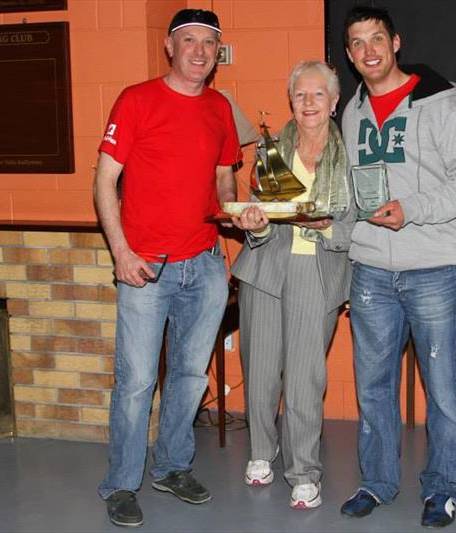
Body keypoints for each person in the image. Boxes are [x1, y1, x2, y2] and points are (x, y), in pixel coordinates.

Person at [338, 6, 456, 529]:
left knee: (442, 389)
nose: (368, 51)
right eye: (356, 43)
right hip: (372, 269)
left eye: (376, 38)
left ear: (395, 42)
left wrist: (413, 211)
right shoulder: (352, 112)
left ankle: (444, 488)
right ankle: (377, 482)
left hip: (433, 267)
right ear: (350, 54)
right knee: (373, 386)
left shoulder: (442, 104)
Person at [93, 9, 240, 528]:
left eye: (209, 43)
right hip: (145, 269)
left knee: (187, 376)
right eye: (189, 41)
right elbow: (104, 180)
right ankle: (122, 483)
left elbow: (224, 180)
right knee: (135, 383)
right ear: (170, 48)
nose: (200, 51)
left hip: (203, 267)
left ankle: (172, 466)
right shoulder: (136, 100)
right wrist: (121, 253)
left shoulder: (221, 108)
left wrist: (235, 209)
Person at [230, 60, 354, 511]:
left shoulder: (350, 156)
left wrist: (327, 227)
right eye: (300, 95)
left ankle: (304, 472)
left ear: (334, 102)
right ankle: (262, 452)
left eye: (318, 94)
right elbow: (258, 225)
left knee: (304, 379)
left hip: (316, 273)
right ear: (291, 102)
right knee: (260, 370)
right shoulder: (271, 152)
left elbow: (357, 221)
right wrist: (255, 225)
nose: (308, 103)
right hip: (266, 269)